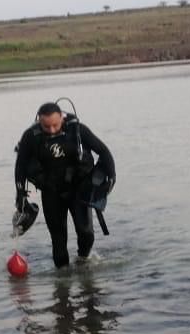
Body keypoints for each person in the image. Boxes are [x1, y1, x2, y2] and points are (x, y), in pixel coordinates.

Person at [15, 102, 116, 268]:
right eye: (46, 126)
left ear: (61, 117)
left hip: (78, 189)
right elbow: (20, 165)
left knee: (86, 234)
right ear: (39, 121)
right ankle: (62, 281)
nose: (52, 130)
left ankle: (83, 261)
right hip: (51, 192)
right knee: (58, 239)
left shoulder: (77, 130)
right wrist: (20, 193)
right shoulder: (31, 136)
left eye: (55, 125)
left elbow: (103, 151)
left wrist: (111, 177)